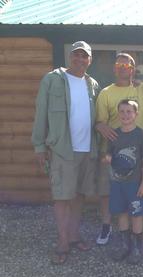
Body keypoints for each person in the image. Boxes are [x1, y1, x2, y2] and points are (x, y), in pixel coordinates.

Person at [31, 41, 100, 264]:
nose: (80, 59)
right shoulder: (52, 80)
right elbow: (41, 113)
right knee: (62, 197)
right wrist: (40, 146)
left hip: (87, 150)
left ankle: (73, 235)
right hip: (62, 150)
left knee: (79, 195)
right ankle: (62, 241)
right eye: (76, 55)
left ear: (90, 60)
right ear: (70, 57)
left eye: (85, 56)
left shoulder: (92, 84)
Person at [95, 49, 143, 245]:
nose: (123, 69)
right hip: (112, 152)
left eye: (127, 66)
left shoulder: (142, 89)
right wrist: (101, 125)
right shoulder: (106, 93)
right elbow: (99, 121)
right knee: (107, 191)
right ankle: (106, 226)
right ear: (114, 69)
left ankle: (134, 236)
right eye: (119, 66)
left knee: (135, 193)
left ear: (132, 70)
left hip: (137, 154)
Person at [103, 99, 143, 265]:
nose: (125, 115)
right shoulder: (114, 135)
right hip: (117, 182)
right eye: (122, 111)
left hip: (135, 184)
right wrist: (107, 158)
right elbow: (109, 154)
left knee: (136, 215)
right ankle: (125, 246)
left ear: (136, 114)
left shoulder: (141, 135)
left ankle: (137, 248)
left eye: (129, 112)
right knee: (122, 213)